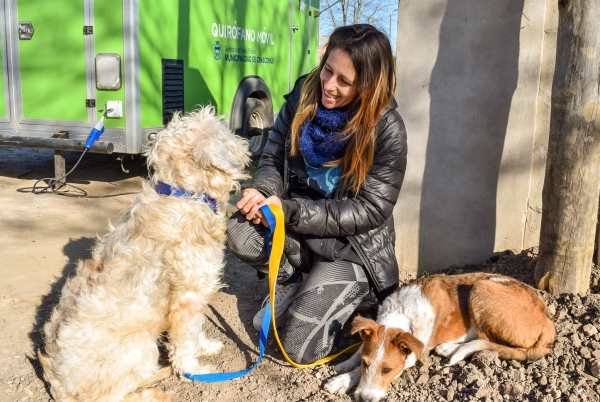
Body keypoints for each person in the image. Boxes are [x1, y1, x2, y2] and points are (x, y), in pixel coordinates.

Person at [226, 24, 407, 364]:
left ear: (367, 86)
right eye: (328, 70)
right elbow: (271, 156)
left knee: (298, 347)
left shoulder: (387, 129)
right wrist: (263, 191)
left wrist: (291, 211)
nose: (329, 85)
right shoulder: (302, 95)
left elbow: (370, 209)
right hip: (303, 229)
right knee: (238, 229)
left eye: (344, 81)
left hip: (349, 248)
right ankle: (295, 285)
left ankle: (356, 301)